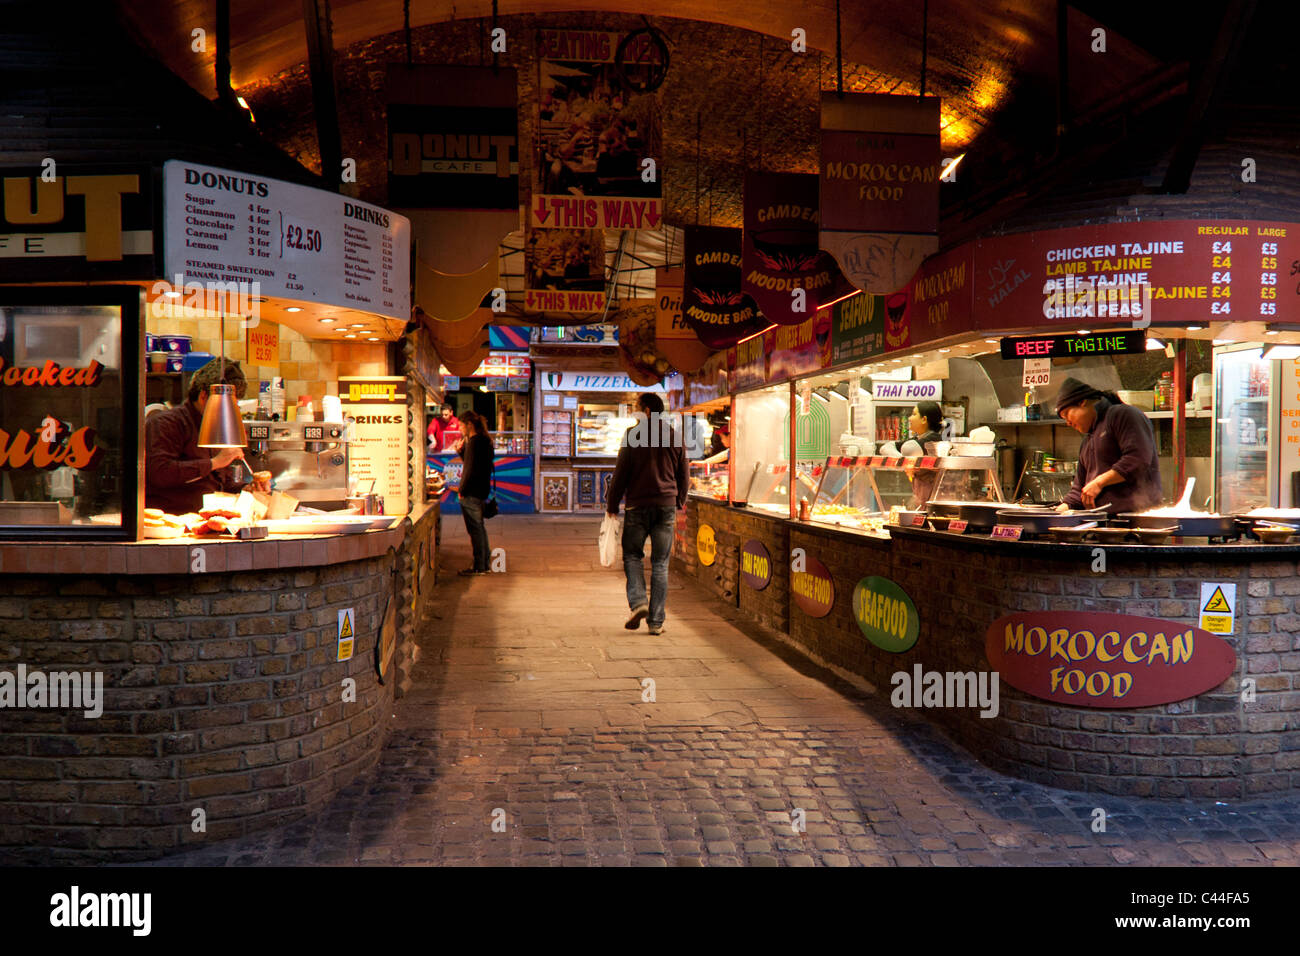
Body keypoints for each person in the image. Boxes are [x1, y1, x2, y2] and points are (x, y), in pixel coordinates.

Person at [606, 392, 689, 634]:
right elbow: (684, 475)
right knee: (661, 564)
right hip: (666, 506)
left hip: (637, 506)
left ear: (648, 411)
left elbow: (620, 474)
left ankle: (639, 602)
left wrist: (612, 506)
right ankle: (656, 623)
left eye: (636, 408)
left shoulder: (633, 435)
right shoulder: (674, 436)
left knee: (632, 556)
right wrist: (678, 501)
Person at [145, 360, 249, 514]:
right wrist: (215, 462)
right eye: (226, 405)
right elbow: (160, 473)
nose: (230, 413)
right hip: (169, 523)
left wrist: (245, 489)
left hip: (206, 520)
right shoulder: (166, 423)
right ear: (203, 396)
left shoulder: (216, 428)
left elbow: (219, 484)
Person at [1053, 376, 1162, 513]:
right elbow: (1079, 490)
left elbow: (1137, 459)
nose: (1068, 423)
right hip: (1103, 523)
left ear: (1082, 402)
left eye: (1067, 414)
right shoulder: (1087, 441)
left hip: (1137, 519)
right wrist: (1056, 513)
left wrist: (1099, 482)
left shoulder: (1123, 414)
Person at [452, 410, 494, 576]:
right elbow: (476, 464)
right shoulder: (485, 441)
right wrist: (462, 452)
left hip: (472, 492)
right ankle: (484, 563)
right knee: (480, 529)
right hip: (482, 490)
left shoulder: (474, 442)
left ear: (469, 424)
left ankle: (479, 566)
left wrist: (462, 490)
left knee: (475, 530)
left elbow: (469, 469)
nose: (460, 429)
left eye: (461, 425)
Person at [905, 402, 945, 509]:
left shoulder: (933, 440)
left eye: (914, 414)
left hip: (933, 503)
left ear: (924, 420)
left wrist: (908, 465)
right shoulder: (918, 439)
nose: (909, 418)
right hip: (922, 501)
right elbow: (885, 448)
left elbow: (906, 449)